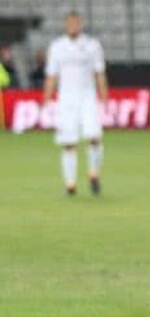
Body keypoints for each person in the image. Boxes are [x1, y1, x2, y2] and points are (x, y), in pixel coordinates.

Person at [43, 12, 108, 196]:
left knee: (94, 136)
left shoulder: (92, 45)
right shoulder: (57, 47)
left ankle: (94, 173)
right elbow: (52, 75)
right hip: (66, 99)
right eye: (69, 23)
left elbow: (99, 72)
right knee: (68, 142)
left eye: (76, 23)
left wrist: (104, 95)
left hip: (87, 96)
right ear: (65, 25)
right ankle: (70, 184)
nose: (73, 26)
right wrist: (46, 99)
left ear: (80, 24)